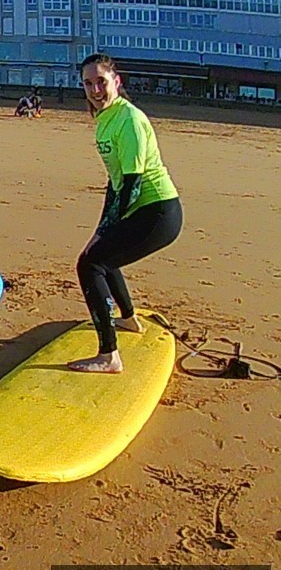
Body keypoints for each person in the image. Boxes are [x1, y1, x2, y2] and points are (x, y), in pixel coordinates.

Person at [68, 53, 182, 373]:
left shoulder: (128, 119)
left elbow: (132, 183)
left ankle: (109, 356)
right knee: (101, 255)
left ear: (116, 82)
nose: (95, 89)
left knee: (91, 265)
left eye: (101, 82)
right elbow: (115, 184)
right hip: (144, 208)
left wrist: (107, 231)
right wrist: (101, 231)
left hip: (158, 211)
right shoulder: (105, 119)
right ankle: (129, 319)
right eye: (88, 83)